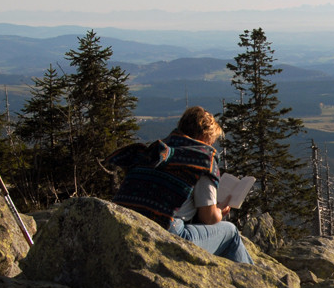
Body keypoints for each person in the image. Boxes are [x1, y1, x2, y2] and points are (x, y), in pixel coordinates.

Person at [107, 106, 254, 264]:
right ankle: (253, 284)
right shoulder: (202, 159)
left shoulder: (158, 151)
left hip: (124, 224)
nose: (212, 145)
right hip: (167, 233)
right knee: (230, 232)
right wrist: (220, 211)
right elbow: (208, 217)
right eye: (212, 140)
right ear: (204, 136)